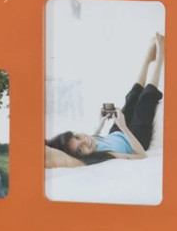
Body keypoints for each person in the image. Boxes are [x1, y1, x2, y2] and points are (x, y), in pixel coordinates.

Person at [44, 33, 164, 168]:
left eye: (78, 137)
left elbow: (93, 137)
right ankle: (160, 57)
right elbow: (141, 155)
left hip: (116, 132)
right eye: (80, 149)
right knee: (145, 100)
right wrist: (124, 127)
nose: (85, 141)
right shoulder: (106, 155)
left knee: (132, 96)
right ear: (82, 156)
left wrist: (100, 124)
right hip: (136, 139)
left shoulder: (91, 141)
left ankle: (147, 60)